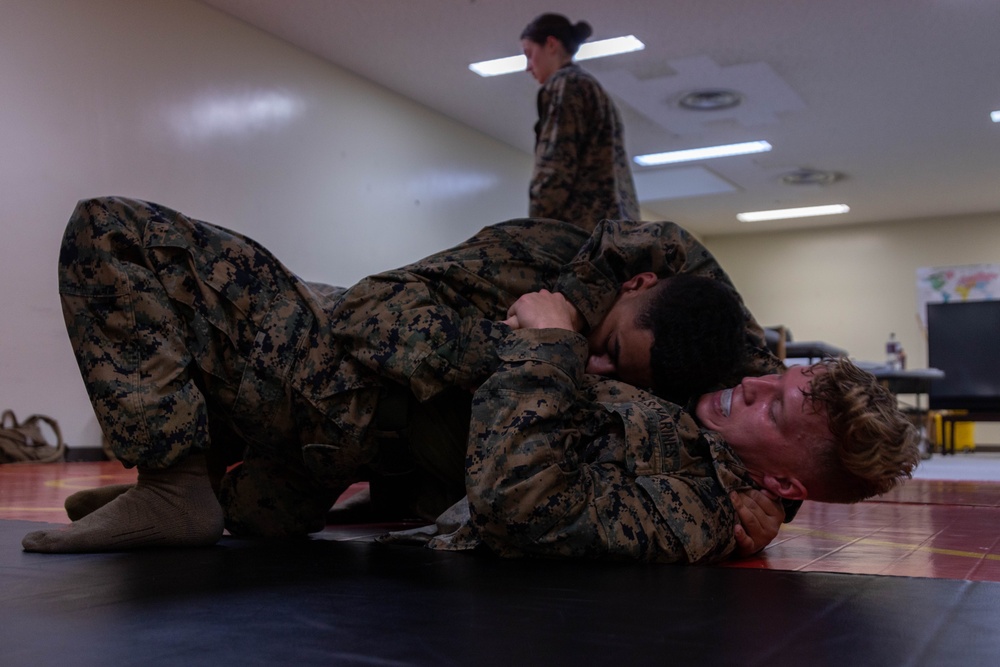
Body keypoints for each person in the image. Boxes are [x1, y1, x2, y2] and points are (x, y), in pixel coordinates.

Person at [22, 197, 780, 554]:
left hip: (347, 414)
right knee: (260, 508)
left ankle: (173, 487)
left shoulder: (686, 402)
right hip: (348, 424)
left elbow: (798, 413)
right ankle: (190, 476)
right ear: (638, 285)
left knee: (111, 232)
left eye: (621, 371)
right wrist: (533, 342)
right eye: (610, 343)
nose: (599, 366)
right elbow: (370, 312)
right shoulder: (543, 255)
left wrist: (772, 503)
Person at [387, 292, 921, 563]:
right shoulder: (727, 376)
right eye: (778, 377)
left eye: (774, 409)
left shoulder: (703, 513)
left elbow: (519, 506)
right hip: (411, 365)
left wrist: (546, 347)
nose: (754, 384)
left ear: (783, 484)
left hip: (368, 415)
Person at [521, 13, 640, 231]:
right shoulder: (594, 90)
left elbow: (556, 163)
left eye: (529, 54)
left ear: (551, 44)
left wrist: (536, 228)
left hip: (580, 231)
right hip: (615, 229)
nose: (528, 66)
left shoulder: (565, 85)